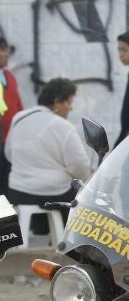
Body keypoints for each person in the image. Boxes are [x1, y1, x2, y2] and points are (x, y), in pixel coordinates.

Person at [5, 78, 91, 230]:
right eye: (69, 103)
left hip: (17, 191)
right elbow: (79, 166)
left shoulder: (19, 118)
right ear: (57, 102)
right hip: (51, 194)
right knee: (82, 197)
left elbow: (9, 153)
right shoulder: (63, 127)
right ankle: (66, 242)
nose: (70, 108)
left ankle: (39, 230)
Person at [0, 37, 23, 195]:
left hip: (11, 142)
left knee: (7, 187)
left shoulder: (9, 76)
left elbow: (19, 107)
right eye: (1, 50)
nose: (6, 53)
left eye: (6, 49)